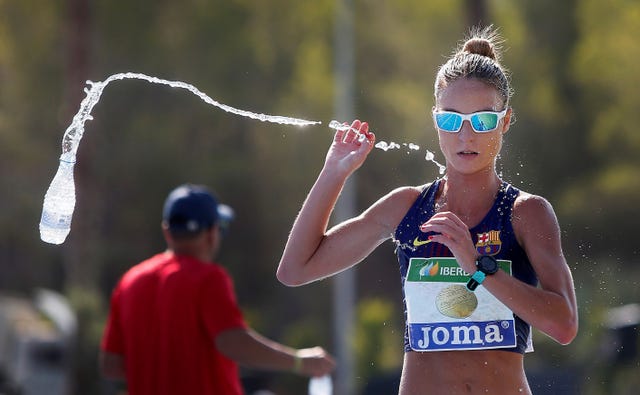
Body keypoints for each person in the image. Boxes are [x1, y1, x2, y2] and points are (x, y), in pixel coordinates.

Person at [277, 26, 578, 394]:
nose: (465, 136)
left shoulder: (526, 213)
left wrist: (481, 269)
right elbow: (295, 270)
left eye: (483, 120)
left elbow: (564, 326)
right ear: (434, 119)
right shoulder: (407, 207)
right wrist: (334, 172)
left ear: (506, 121)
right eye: (451, 120)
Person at [100, 184, 335, 395]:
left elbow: (111, 365)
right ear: (212, 233)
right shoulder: (207, 278)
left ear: (166, 231)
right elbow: (233, 342)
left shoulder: (129, 282)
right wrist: (298, 361)